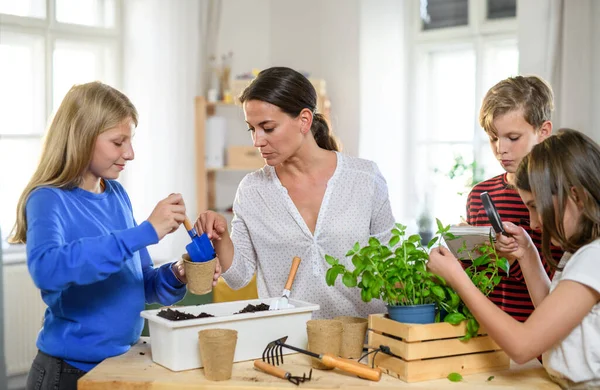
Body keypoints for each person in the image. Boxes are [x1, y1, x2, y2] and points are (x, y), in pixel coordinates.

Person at [9, 82, 202, 390]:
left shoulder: (116, 194)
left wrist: (179, 273)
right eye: (118, 142)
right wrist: (145, 232)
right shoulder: (48, 199)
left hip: (121, 364)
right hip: (67, 374)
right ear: (82, 138)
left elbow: (142, 284)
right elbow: (48, 270)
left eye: (130, 141)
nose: (130, 153)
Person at [195, 67, 395, 319]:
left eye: (267, 128)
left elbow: (392, 262)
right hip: (288, 344)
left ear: (304, 120)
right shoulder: (253, 190)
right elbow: (238, 278)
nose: (257, 141)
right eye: (252, 129)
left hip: (363, 340)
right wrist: (221, 236)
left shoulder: (364, 178)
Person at [429, 129, 600, 388]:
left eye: (535, 207)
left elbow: (522, 346)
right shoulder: (580, 252)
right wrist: (527, 253)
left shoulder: (593, 258)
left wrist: (458, 278)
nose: (534, 222)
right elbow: (550, 316)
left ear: (575, 196)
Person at [465, 75, 563, 322]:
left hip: (537, 341)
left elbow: (562, 291)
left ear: (543, 132)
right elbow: (475, 280)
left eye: (513, 138)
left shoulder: (560, 201)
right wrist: (466, 250)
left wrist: (513, 259)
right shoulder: (478, 196)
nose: (500, 149)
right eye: (493, 138)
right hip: (487, 336)